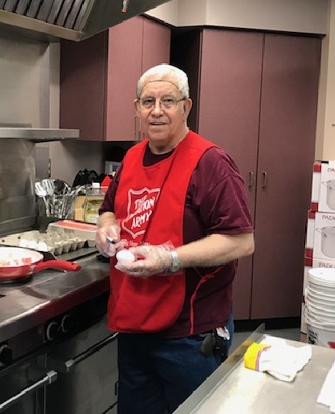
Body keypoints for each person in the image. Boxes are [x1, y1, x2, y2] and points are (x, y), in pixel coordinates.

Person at [95, 64, 255, 414]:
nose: (156, 110)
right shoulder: (132, 157)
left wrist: (171, 260)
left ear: (187, 107)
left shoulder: (211, 163)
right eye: (148, 101)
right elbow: (108, 210)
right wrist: (106, 230)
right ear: (136, 107)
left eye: (168, 100)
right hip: (134, 325)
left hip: (190, 335)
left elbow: (241, 241)